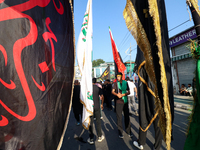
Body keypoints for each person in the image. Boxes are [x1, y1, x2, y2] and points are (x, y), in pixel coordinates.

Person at [112, 72, 132, 138]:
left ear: (121, 76)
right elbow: (112, 91)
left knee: (127, 116)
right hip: (118, 102)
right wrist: (117, 94)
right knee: (119, 117)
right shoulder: (115, 83)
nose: (118, 77)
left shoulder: (125, 83)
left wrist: (123, 94)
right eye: (117, 76)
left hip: (125, 101)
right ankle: (120, 132)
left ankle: (128, 131)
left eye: (119, 76)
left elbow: (129, 92)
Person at [88, 78, 104, 144]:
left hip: (90, 107)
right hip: (97, 106)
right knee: (98, 121)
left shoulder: (88, 89)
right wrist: (102, 104)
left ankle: (91, 138)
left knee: (90, 123)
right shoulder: (98, 88)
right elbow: (102, 96)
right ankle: (99, 136)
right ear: (95, 82)